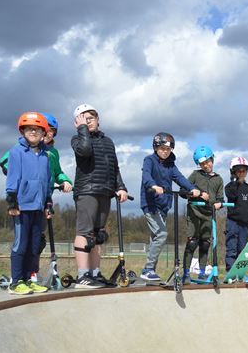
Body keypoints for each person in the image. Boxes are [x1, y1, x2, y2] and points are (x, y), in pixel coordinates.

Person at [70, 103, 128, 288]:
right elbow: (85, 150)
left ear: (98, 120)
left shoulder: (108, 141)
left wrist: (121, 187)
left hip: (105, 190)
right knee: (84, 232)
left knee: (98, 234)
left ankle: (95, 273)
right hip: (87, 189)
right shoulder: (77, 139)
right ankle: (83, 275)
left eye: (91, 118)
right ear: (77, 123)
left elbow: (114, 166)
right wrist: (82, 130)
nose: (88, 122)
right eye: (83, 119)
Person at [139, 132, 200, 283]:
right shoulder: (149, 160)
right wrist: (153, 186)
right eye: (162, 149)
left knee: (155, 238)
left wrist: (192, 188)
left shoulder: (171, 165)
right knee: (161, 234)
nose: (165, 152)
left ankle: (149, 273)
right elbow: (146, 176)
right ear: (155, 148)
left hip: (164, 206)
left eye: (168, 149)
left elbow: (180, 178)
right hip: (151, 205)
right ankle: (148, 269)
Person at [5, 112, 54, 295]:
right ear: (23, 131)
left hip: (38, 207)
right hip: (22, 206)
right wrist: (12, 202)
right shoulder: (16, 152)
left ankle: (29, 279)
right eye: (29, 129)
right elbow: (12, 178)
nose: (33, 132)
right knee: (21, 244)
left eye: (37, 129)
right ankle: (16, 282)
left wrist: (48, 203)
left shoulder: (45, 155)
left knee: (35, 245)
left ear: (43, 133)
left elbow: (47, 182)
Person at [183, 146, 224, 284]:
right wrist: (198, 193)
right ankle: (186, 273)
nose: (206, 165)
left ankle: (201, 273)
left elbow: (220, 198)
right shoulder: (195, 175)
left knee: (205, 244)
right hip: (194, 212)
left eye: (208, 162)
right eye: (202, 164)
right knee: (192, 242)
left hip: (208, 214)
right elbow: (183, 190)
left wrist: (219, 204)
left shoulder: (218, 179)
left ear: (212, 160)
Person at [224, 156, 248, 280]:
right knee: (232, 247)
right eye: (238, 171)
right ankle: (231, 273)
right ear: (233, 172)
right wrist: (235, 181)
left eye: (244, 171)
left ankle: (241, 273)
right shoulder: (229, 187)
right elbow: (232, 195)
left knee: (243, 249)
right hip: (233, 222)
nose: (242, 173)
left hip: (245, 224)